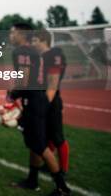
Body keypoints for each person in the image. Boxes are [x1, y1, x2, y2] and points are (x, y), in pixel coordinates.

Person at [9, 23, 70, 195]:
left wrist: (12, 96)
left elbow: (24, 79)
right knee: (35, 143)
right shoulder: (35, 52)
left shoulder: (21, 51)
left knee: (40, 144)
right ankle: (32, 180)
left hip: (35, 101)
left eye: (12, 33)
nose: (10, 36)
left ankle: (62, 187)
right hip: (38, 98)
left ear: (22, 34)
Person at [32, 30, 70, 175]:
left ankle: (63, 170)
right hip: (42, 99)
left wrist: (44, 104)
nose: (33, 43)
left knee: (58, 137)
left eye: (35, 40)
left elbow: (52, 84)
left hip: (51, 101)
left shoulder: (54, 55)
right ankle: (50, 165)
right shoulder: (40, 57)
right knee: (46, 136)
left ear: (43, 41)